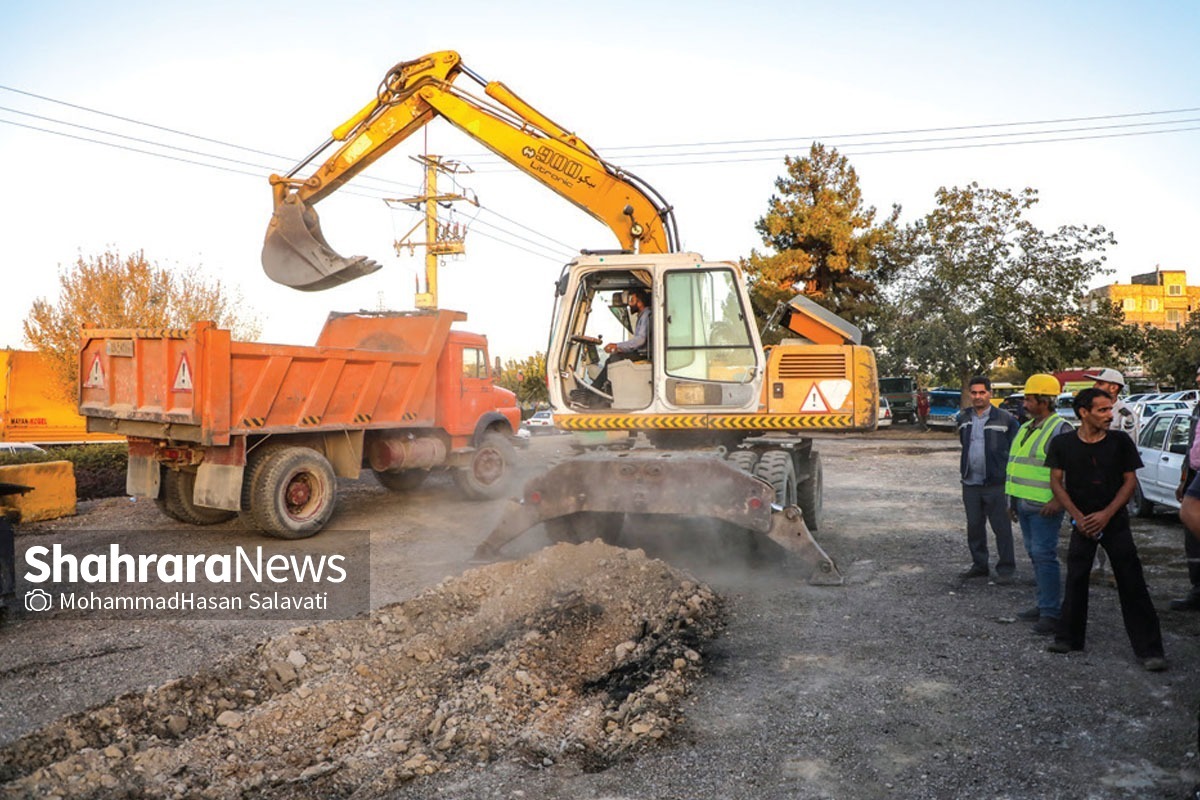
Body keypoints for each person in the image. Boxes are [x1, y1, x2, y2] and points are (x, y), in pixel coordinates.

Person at [1044, 387, 1166, 671]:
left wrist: (1105, 515)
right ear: (1083, 413)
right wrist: (1078, 517)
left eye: (1110, 409)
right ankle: (1068, 638)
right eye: (1102, 410)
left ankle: (1150, 650)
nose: (1109, 415)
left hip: (1115, 523)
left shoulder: (1120, 441)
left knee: (1132, 582)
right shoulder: (1063, 444)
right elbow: (1056, 483)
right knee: (1076, 578)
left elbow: (1129, 483)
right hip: (1082, 523)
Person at [1005, 374, 1073, 634]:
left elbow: (1070, 470)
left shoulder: (1060, 429)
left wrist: (1059, 499)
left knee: (1045, 556)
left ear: (1044, 401)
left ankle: (1050, 613)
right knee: (1035, 555)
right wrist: (1012, 500)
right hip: (1025, 504)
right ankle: (1044, 604)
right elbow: (1016, 466)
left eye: (1029, 399)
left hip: (1045, 507)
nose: (1024, 403)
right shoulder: (1026, 427)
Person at [956, 376, 1020, 582]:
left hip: (996, 484)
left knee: (1001, 527)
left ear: (990, 393)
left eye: (982, 392)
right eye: (974, 393)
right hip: (970, 483)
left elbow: (1015, 449)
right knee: (974, 526)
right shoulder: (963, 418)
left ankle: (1006, 569)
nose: (977, 397)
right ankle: (979, 565)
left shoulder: (1005, 419)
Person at [1172, 365, 1200, 610]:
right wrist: (1184, 479)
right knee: (1191, 535)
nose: (1198, 379)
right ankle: (1197, 589)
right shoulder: (1198, 408)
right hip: (1193, 473)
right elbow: (1192, 445)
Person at [592, 287, 651, 395]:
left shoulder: (647, 316)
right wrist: (619, 348)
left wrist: (616, 346)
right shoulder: (643, 316)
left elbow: (640, 340)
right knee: (614, 356)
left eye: (631, 300)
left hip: (644, 355)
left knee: (613, 359)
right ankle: (598, 390)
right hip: (641, 353)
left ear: (639, 302)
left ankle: (595, 392)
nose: (629, 304)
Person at [1085, 367, 1135, 436]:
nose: (1094, 386)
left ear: (1113, 388)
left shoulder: (1125, 414)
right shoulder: (1090, 410)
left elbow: (1130, 444)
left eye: (1100, 383)